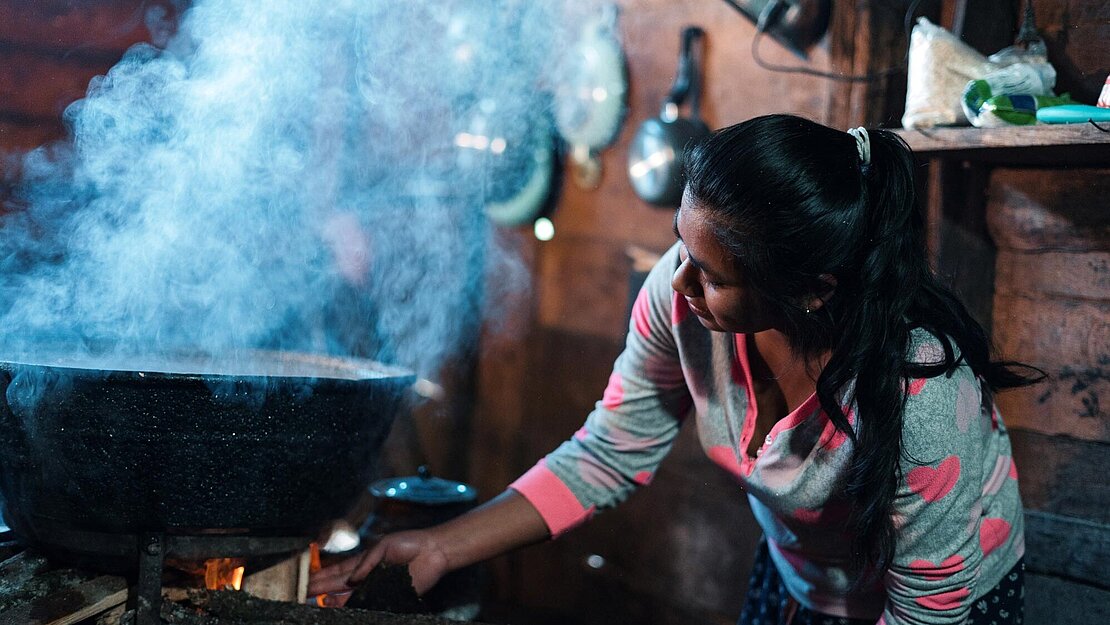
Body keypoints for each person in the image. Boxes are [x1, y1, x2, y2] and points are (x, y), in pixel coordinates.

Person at [309, 114, 1041, 625]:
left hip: (942, 600)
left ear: (812, 289)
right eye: (679, 247)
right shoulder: (682, 291)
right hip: (802, 579)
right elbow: (609, 450)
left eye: (713, 273)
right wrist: (440, 541)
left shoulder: (922, 399)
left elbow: (925, 609)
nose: (678, 283)